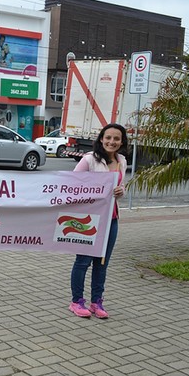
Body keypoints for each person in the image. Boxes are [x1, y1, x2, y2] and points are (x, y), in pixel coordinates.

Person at [69, 123, 128, 319]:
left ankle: (97, 302)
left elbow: (120, 187)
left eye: (116, 138)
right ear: (101, 139)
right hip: (89, 219)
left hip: (111, 219)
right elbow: (72, 186)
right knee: (83, 262)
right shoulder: (89, 160)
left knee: (102, 263)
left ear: (122, 142)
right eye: (108, 137)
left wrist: (121, 191)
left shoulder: (122, 161)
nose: (112, 142)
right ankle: (77, 301)